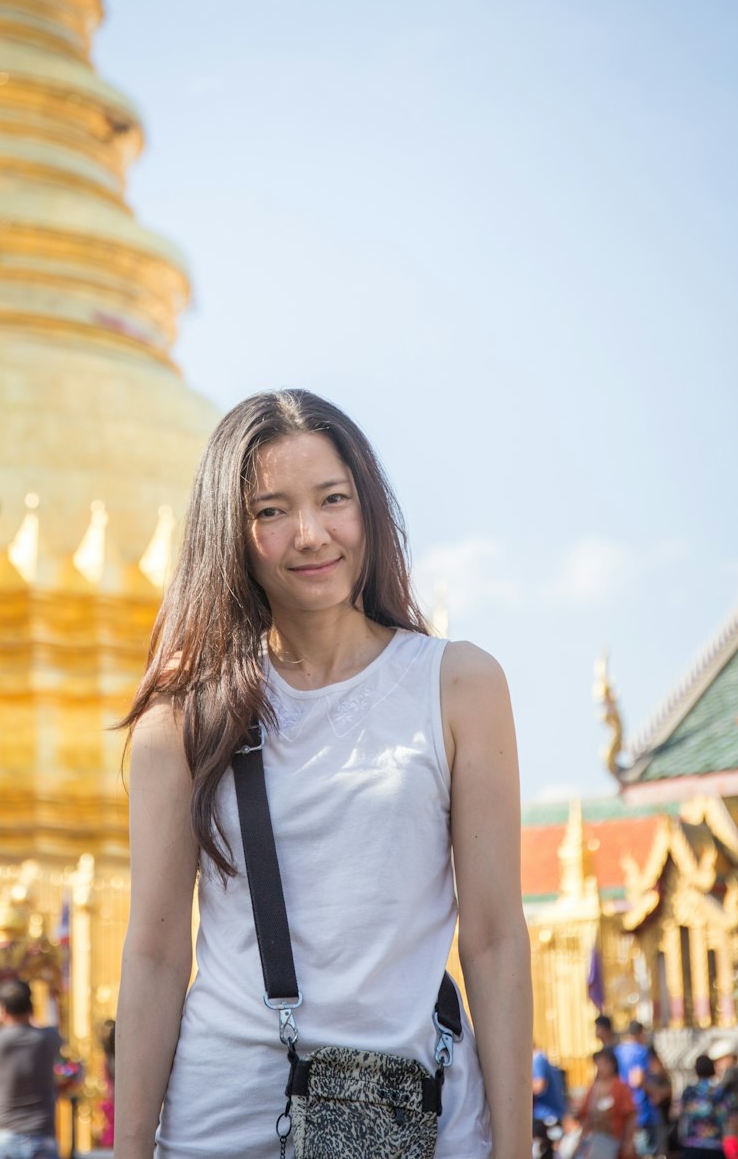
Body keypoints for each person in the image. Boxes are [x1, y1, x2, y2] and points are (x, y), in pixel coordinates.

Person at [114, 389, 533, 1159]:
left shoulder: (460, 684)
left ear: (368, 508)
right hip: (231, 1116)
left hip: (417, 1114)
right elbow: (155, 951)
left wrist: (514, 1146)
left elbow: (496, 936)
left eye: (333, 500)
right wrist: (129, 1148)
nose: (310, 535)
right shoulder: (184, 715)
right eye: (271, 511)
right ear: (232, 535)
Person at [0, 979, 60, 1159]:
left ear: (2, 1010)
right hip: (42, 1133)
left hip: (7, 1135)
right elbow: (49, 1026)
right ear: (31, 1007)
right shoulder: (48, 1039)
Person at [576, 1046, 636, 1159]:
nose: (601, 1067)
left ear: (612, 1065)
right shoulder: (593, 1088)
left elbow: (631, 1115)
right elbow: (586, 1117)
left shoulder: (620, 1087)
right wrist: (580, 1141)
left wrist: (629, 1141)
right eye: (598, 1064)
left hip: (616, 1142)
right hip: (597, 1142)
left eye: (604, 1063)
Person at [615, 1022, 654, 1155]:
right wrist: (655, 1092)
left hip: (620, 1104)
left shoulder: (618, 1050)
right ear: (639, 1034)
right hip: (638, 1105)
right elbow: (636, 1080)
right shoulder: (640, 1051)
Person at [677, 1054, 727, 1157]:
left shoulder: (688, 1092)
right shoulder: (718, 1091)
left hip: (692, 1143)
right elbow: (725, 1116)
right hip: (714, 1144)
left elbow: (678, 1113)